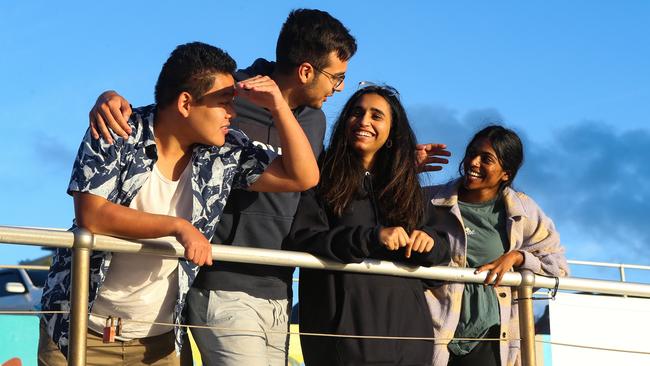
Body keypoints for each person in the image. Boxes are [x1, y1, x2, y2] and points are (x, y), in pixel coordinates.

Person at [88, 9, 449, 365]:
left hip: (278, 285)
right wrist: (111, 99)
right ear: (307, 70)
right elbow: (174, 111)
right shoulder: (231, 95)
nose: (338, 89)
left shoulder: (315, 119)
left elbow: (313, 179)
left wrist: (393, 159)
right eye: (336, 78)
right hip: (221, 279)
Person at [38, 41, 319, 365]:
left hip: (158, 343)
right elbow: (92, 215)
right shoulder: (117, 129)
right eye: (224, 103)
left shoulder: (225, 151)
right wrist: (178, 228)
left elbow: (304, 177)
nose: (233, 113)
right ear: (186, 103)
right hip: (77, 333)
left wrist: (279, 107)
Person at [285, 84, 450, 366]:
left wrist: (430, 243)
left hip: (410, 342)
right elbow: (304, 238)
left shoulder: (405, 186)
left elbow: (442, 256)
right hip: (341, 340)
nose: (364, 122)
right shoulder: (319, 176)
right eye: (357, 113)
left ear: (391, 132)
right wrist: (372, 238)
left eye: (376, 116)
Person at [424, 125, 569, 366]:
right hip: (433, 332)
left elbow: (559, 268)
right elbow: (378, 207)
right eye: (472, 153)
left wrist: (519, 258)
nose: (473, 162)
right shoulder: (429, 200)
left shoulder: (524, 210)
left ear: (506, 174)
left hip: (492, 338)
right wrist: (408, 165)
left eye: (486, 159)